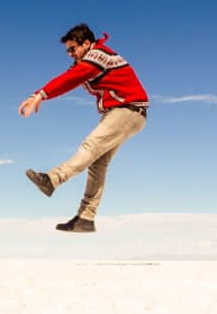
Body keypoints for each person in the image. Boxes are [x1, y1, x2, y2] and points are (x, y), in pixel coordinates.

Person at [18, 24, 148, 233]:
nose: (70, 54)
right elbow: (67, 77)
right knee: (97, 164)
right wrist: (39, 94)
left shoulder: (97, 56)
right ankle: (86, 218)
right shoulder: (85, 61)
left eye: (73, 49)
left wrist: (41, 94)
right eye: (68, 51)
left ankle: (52, 179)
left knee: (90, 146)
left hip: (127, 109)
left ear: (86, 44)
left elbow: (70, 79)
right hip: (129, 114)